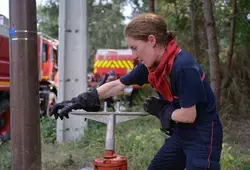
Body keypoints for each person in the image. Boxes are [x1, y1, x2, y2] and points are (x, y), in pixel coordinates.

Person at [50, 13, 223, 170]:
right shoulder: (148, 66)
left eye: (134, 47)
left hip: (203, 133)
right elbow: (116, 85)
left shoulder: (183, 66)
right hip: (181, 132)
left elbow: (188, 115)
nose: (133, 55)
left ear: (152, 40)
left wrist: (163, 110)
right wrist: (78, 101)